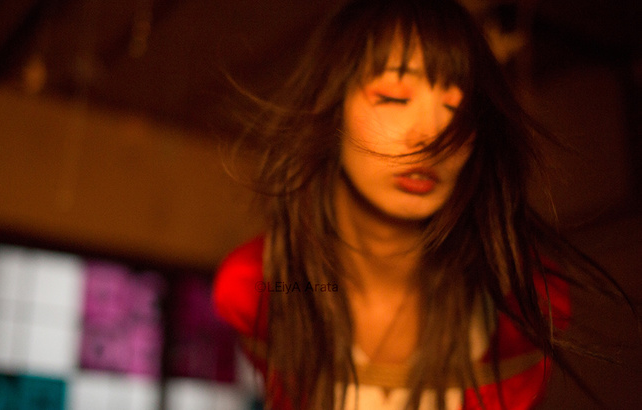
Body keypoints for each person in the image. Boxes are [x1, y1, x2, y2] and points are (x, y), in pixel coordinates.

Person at [213, 0, 624, 408]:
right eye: (394, 97)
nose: (432, 134)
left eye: (457, 107)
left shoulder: (528, 304)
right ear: (331, 108)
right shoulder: (257, 287)